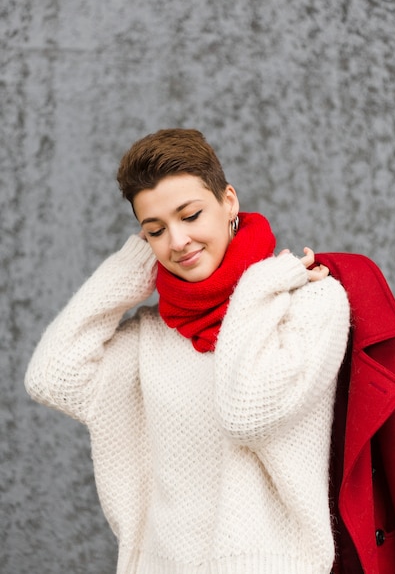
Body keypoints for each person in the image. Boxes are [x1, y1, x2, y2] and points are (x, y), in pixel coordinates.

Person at [25, 128, 350, 574]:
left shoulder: (311, 302)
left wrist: (256, 287)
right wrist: (132, 266)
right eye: (155, 230)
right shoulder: (152, 335)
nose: (177, 242)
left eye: (191, 215)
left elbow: (247, 413)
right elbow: (53, 379)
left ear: (228, 202)